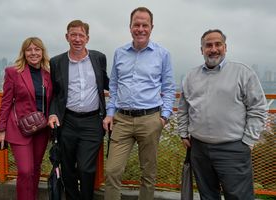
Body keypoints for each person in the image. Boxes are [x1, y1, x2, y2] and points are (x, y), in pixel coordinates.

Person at [177, 29, 267, 200]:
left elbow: (258, 108)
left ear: (225, 47)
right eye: (208, 45)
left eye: (218, 44)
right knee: (207, 195)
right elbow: (183, 108)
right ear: (201, 49)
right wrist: (183, 133)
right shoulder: (190, 76)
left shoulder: (242, 72)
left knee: (239, 196)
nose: (213, 49)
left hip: (233, 148)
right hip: (198, 149)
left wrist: (248, 141)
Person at [103, 7, 176, 200]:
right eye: (137, 24)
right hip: (122, 119)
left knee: (148, 173)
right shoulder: (119, 53)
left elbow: (169, 88)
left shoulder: (162, 54)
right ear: (130, 27)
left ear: (151, 27)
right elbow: (114, 85)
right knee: (112, 171)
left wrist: (164, 117)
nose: (141, 29)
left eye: (145, 25)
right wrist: (110, 113)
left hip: (150, 119)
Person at [48, 19, 109, 200]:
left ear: (87, 38)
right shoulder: (56, 62)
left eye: (81, 35)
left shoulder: (99, 58)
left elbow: (107, 83)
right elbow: (55, 93)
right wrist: (52, 113)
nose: (77, 39)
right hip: (67, 121)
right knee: (67, 167)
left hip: (92, 121)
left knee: (86, 168)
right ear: (67, 37)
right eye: (73, 35)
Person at [0, 37, 53, 200]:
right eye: (29, 50)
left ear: (42, 52)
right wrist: (2, 129)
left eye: (37, 49)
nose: (33, 53)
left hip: (41, 129)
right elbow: (5, 102)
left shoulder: (48, 74)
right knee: (25, 170)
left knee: (35, 169)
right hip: (19, 128)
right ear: (24, 53)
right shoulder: (13, 72)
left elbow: (53, 100)